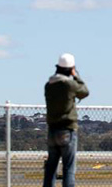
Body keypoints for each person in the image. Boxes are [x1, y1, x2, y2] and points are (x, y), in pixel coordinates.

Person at [43, 53, 89, 187]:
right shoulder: (69, 85)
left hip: (52, 129)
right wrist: (76, 75)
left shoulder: (48, 85)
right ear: (70, 68)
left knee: (51, 167)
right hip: (67, 129)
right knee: (68, 168)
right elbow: (85, 91)